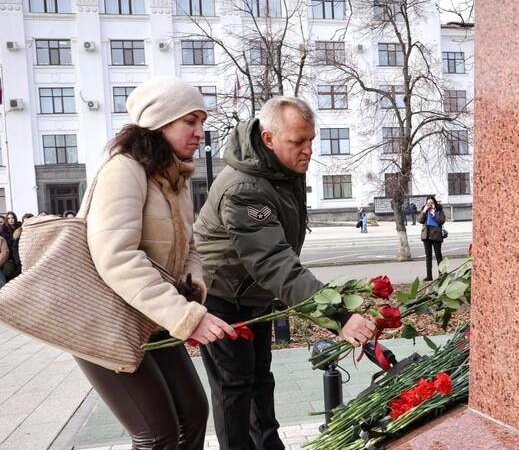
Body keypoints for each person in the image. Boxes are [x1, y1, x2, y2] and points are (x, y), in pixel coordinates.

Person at [193, 96, 376, 450]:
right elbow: (274, 261)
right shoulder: (244, 188)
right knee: (234, 389)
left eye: (311, 139)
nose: (308, 150)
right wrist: (338, 316)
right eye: (298, 141)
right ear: (268, 139)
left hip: (253, 293)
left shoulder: (280, 169)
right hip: (223, 297)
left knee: (260, 380)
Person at [76, 75, 234, 450]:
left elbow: (190, 247)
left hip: (150, 316)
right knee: (156, 433)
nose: (200, 133)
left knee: (193, 413)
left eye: (202, 122)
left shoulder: (174, 179)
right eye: (190, 121)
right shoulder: (123, 170)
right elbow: (117, 257)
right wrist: (186, 316)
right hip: (105, 320)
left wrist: (191, 288)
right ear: (159, 122)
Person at [419, 196, 446, 281]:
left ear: (434, 203)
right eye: (428, 203)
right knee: (428, 256)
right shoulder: (425, 210)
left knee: (438, 255)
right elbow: (420, 220)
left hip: (436, 235)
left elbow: (441, 221)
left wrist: (434, 214)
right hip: (426, 235)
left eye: (431, 203)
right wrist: (424, 211)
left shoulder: (439, 210)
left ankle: (441, 275)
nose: (430, 204)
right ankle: (429, 276)